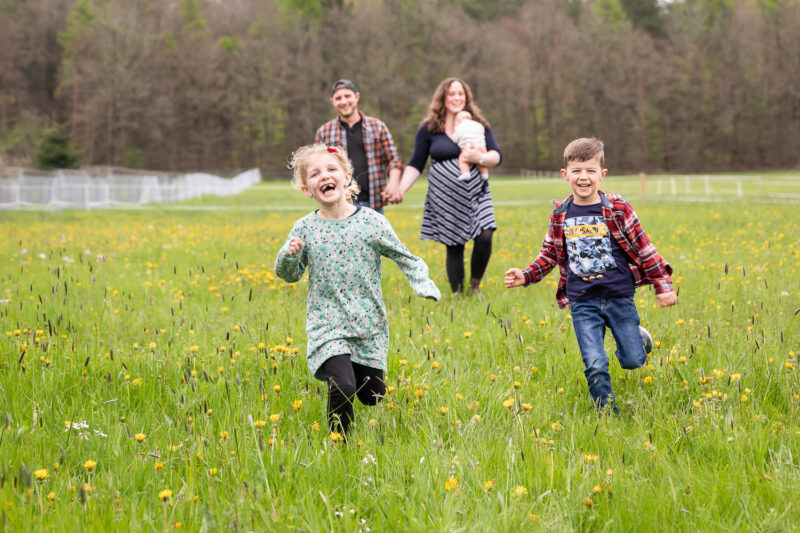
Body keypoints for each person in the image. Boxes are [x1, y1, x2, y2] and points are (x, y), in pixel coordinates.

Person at [275, 144, 441, 436]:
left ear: (347, 177)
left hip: (368, 322)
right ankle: (342, 446)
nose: (324, 176)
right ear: (307, 189)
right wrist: (289, 255)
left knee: (372, 395)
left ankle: (360, 373)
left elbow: (405, 257)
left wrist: (423, 285)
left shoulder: (371, 222)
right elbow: (289, 275)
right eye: (314, 174)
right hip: (327, 322)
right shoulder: (304, 229)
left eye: (331, 169)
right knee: (343, 386)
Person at [504, 137, 677, 413]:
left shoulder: (618, 209)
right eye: (576, 171)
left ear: (602, 174)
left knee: (633, 360)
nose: (583, 177)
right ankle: (606, 412)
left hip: (619, 296)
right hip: (582, 301)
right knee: (595, 361)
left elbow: (645, 248)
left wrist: (663, 286)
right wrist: (526, 275)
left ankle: (636, 338)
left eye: (590, 171)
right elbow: (549, 253)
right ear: (565, 175)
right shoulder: (560, 214)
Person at [392, 77, 501, 294]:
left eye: (460, 93)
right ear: (443, 98)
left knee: (486, 233)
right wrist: (401, 189)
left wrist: (478, 159)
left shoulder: (478, 124)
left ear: (466, 97)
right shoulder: (429, 129)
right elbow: (416, 163)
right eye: (451, 94)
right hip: (445, 196)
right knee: (454, 245)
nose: (456, 98)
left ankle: (474, 286)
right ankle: (458, 295)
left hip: (476, 191)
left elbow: (496, 155)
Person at [315, 79, 403, 214]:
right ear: (332, 101)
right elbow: (317, 168)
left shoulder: (377, 127)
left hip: (373, 203)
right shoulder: (324, 132)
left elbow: (394, 160)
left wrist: (393, 184)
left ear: (356, 97)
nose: (344, 101)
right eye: (338, 98)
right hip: (339, 206)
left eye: (347, 96)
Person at [452, 111, 488, 182]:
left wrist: (454, 139)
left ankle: (466, 173)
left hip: (468, 147)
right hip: (482, 147)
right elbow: (483, 132)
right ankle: (484, 173)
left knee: (463, 160)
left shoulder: (460, 126)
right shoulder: (478, 125)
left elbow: (455, 138)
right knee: (480, 161)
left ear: (458, 120)